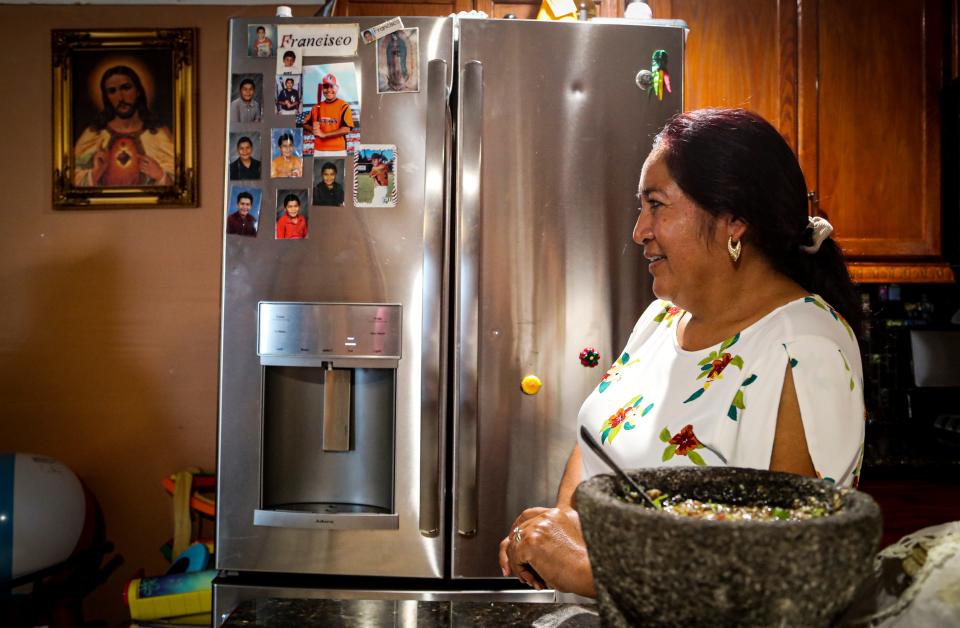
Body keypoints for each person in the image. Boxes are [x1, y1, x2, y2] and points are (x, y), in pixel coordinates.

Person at [498, 108, 865, 597]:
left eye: (656, 205)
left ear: (733, 220)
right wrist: (550, 537)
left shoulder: (805, 347)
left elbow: (778, 579)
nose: (639, 231)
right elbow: (592, 459)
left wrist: (581, 571)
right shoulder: (661, 321)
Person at [73, 65, 174, 186]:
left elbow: (180, 186)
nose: (120, 97)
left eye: (126, 88)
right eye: (112, 91)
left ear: (138, 91)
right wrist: (95, 173)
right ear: (107, 98)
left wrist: (160, 175)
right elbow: (72, 184)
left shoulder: (158, 133)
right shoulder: (94, 134)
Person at [303, 73, 354, 153]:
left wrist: (324, 134)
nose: (329, 90)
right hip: (319, 149)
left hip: (338, 149)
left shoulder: (344, 105)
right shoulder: (316, 107)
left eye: (332, 86)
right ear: (322, 88)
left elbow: (346, 129)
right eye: (326, 87)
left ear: (337, 88)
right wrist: (313, 129)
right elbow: (305, 123)